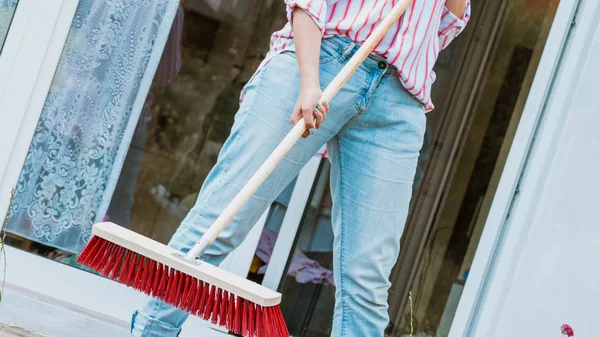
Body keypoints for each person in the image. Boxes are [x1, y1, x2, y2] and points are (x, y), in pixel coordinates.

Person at [131, 0, 470, 336]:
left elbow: (442, 28)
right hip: (322, 56)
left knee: (367, 278)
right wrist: (309, 80)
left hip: (399, 98)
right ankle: (153, 330)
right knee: (221, 222)